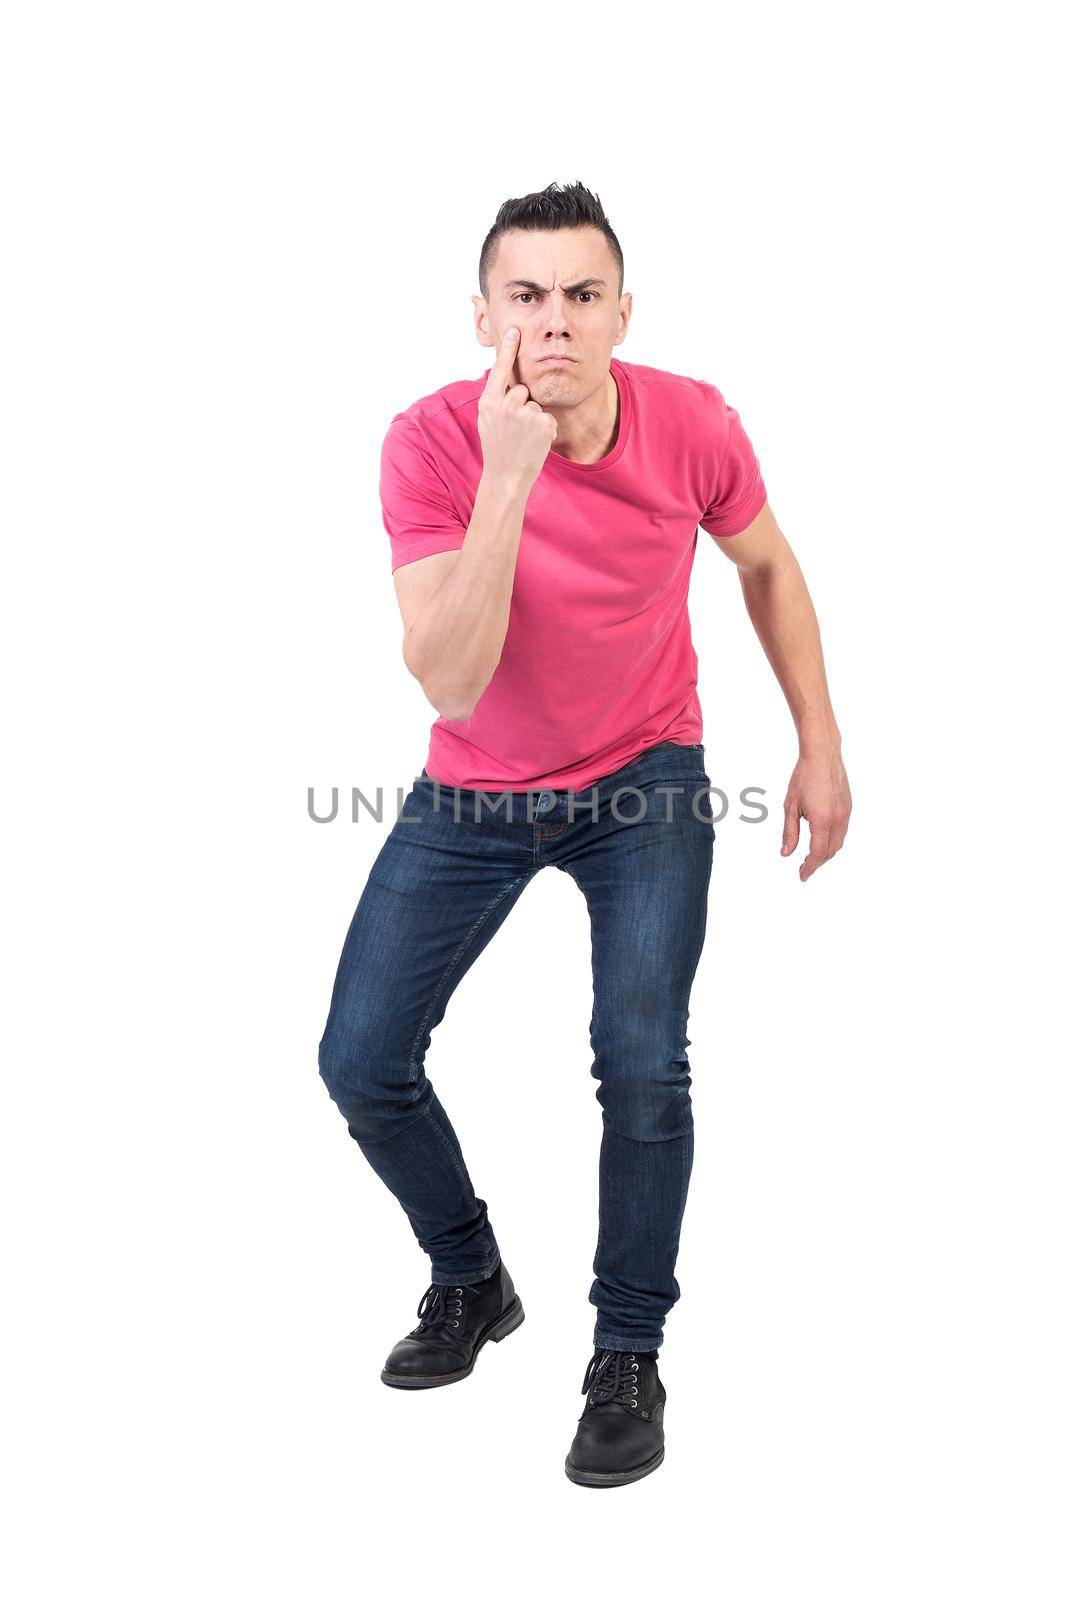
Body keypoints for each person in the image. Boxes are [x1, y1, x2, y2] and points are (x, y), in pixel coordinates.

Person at [317, 180, 852, 1487]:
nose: (553, 323)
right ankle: (471, 1277)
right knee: (361, 1057)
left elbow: (767, 564)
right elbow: (447, 677)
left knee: (641, 1056)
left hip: (646, 774)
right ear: (485, 316)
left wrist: (821, 742)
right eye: (526, 296)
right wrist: (510, 477)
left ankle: (626, 1350)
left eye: (580, 296)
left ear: (622, 313)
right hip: (480, 781)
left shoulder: (694, 422)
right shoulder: (432, 442)